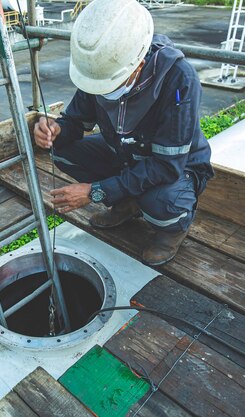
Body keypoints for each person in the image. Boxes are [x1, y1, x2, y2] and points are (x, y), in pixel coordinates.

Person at [34, 0, 214, 266]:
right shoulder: (100, 67)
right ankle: (129, 203)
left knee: (163, 202)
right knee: (63, 152)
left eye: (111, 83)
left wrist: (95, 192)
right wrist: (55, 129)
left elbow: (165, 166)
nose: (103, 90)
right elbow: (74, 120)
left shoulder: (178, 78)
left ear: (138, 63)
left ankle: (172, 229)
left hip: (175, 168)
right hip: (125, 154)